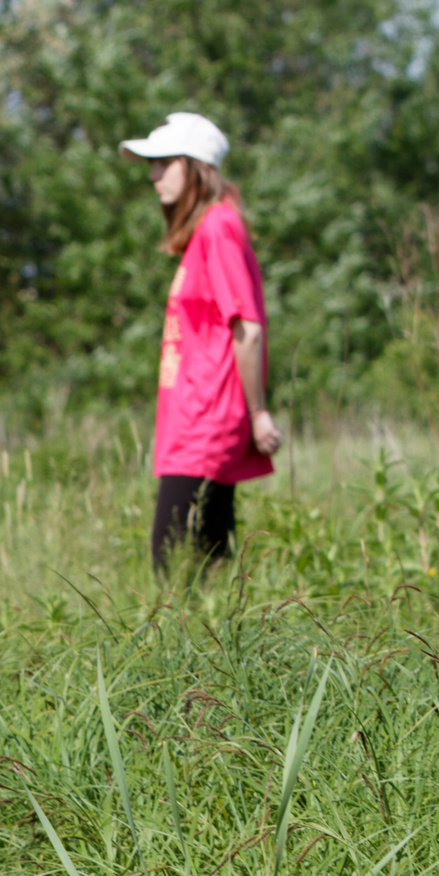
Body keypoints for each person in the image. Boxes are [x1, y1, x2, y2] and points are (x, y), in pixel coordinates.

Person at [120, 111, 282, 576]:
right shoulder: (203, 233)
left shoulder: (217, 227)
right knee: (211, 558)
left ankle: (182, 646)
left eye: (164, 163)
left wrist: (258, 414)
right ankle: (226, 645)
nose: (153, 175)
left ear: (197, 168)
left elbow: (247, 327)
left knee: (168, 561)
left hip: (206, 420)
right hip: (190, 418)